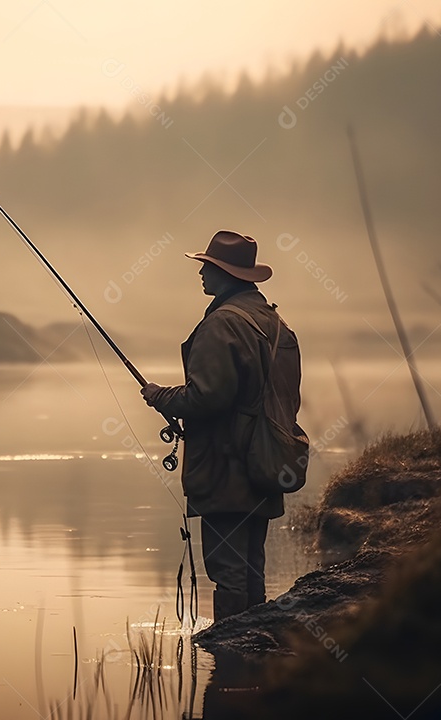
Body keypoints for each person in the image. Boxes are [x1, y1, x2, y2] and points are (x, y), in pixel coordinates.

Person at [141, 230, 301, 625]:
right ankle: (256, 646)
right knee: (252, 567)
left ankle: (231, 652)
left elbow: (205, 398)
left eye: (207, 267)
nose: (201, 273)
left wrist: (160, 396)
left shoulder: (223, 324)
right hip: (267, 460)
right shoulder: (275, 323)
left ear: (226, 274)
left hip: (226, 469)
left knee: (227, 571)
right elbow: (286, 398)